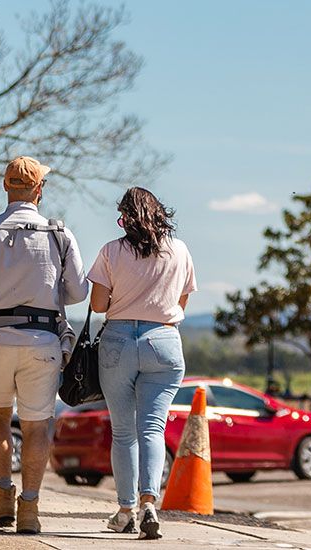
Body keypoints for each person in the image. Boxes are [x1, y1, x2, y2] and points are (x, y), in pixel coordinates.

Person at [0, 156, 86, 535]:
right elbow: (77, 292)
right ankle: (30, 508)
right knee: (37, 427)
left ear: (6, 187)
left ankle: (1, 496)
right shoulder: (59, 234)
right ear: (39, 189)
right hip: (42, 338)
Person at [88, 187, 195, 540]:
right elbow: (181, 303)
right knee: (153, 428)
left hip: (119, 340)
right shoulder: (179, 250)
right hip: (163, 340)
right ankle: (150, 502)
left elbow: (100, 305)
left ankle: (125, 510)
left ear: (126, 218)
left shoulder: (111, 251)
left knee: (123, 431)